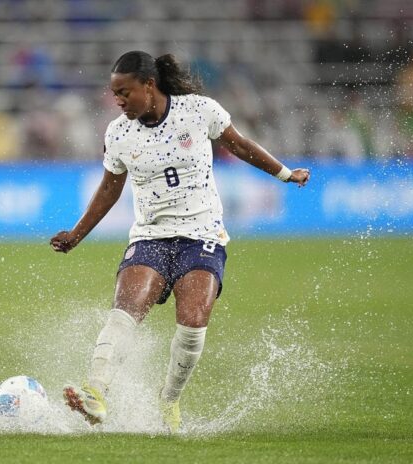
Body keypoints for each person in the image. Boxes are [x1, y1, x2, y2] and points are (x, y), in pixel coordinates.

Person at [50, 51, 310, 433]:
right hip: (151, 234)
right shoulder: (118, 133)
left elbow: (240, 145)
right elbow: (109, 189)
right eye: (114, 93)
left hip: (202, 233)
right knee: (125, 310)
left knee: (192, 324)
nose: (117, 101)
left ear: (149, 85)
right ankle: (96, 392)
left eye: (124, 92)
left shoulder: (199, 111)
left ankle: (169, 399)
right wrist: (76, 235)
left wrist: (286, 173)